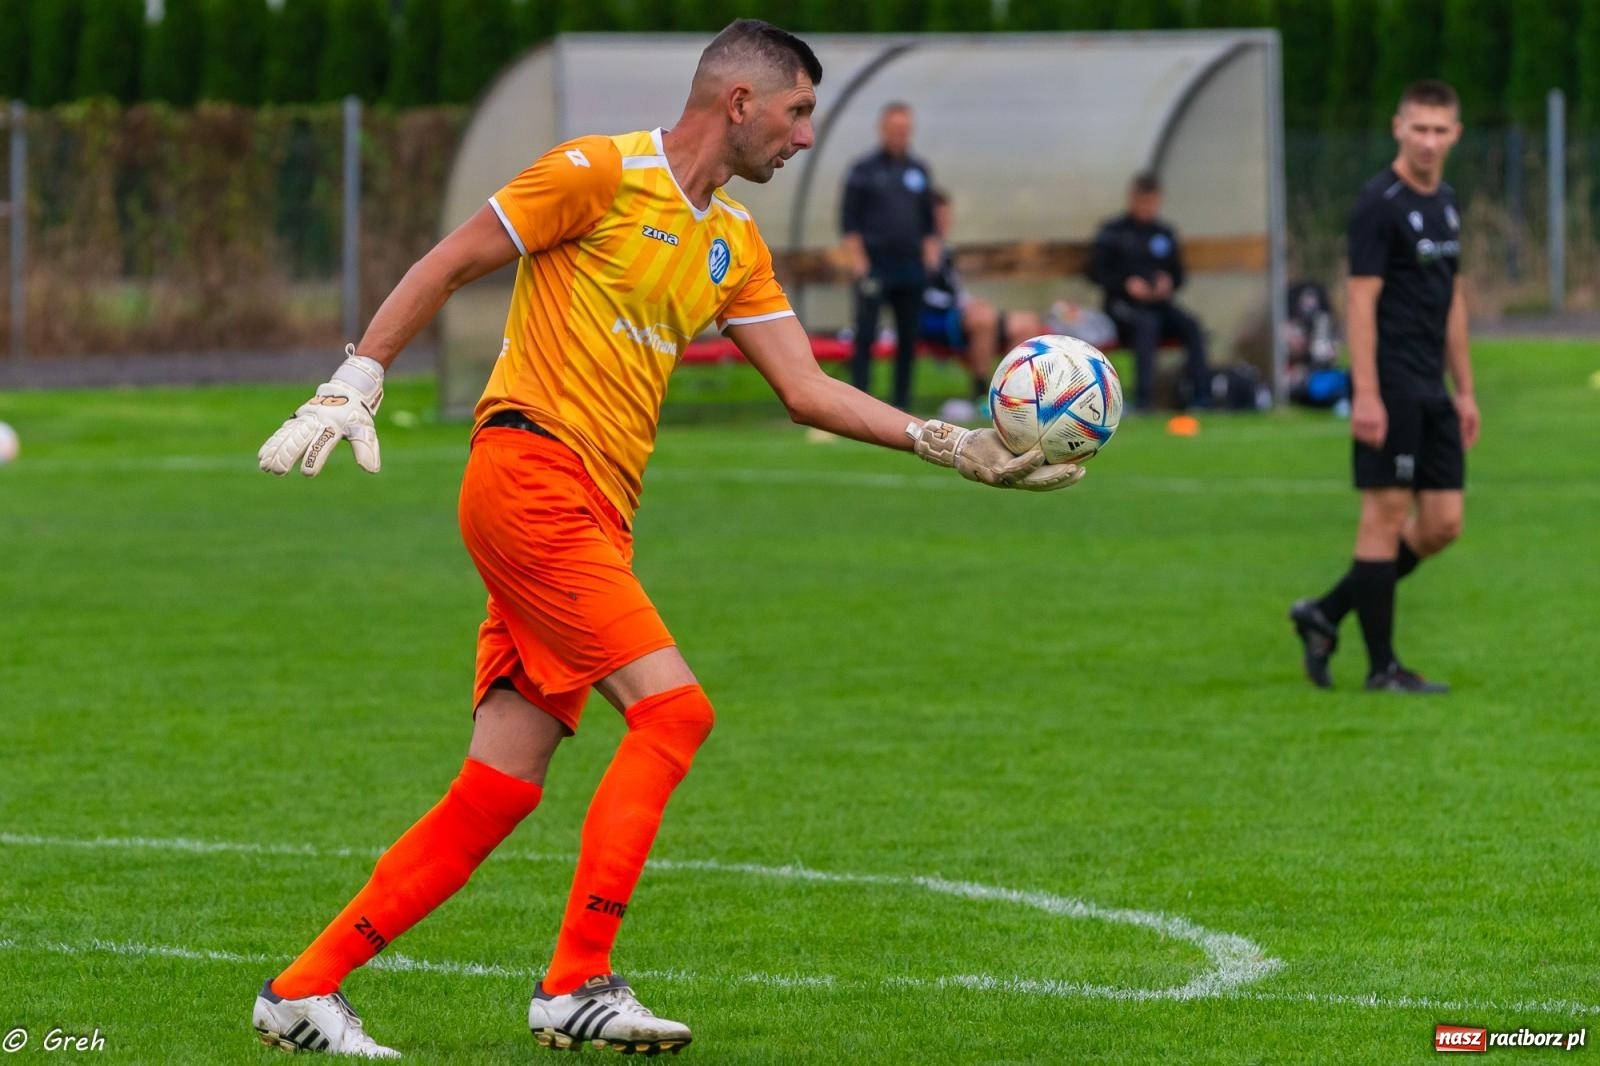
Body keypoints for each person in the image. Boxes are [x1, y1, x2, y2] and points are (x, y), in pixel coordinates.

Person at [249, 19, 1085, 1060]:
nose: (805, 136)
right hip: (530, 475)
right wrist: (356, 377)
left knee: (498, 787)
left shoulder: (733, 239)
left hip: (594, 514)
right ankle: (575, 983)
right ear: (739, 104)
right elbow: (451, 258)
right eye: (796, 113)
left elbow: (805, 388)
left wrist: (955, 445)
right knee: (674, 713)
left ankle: (300, 990)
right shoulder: (595, 174)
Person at [1289, 79, 1478, 694]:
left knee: (1444, 523)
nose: (1427, 140)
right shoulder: (1379, 203)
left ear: (1456, 133)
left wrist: (1467, 389)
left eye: (1439, 129)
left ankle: (1326, 613)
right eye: (1417, 128)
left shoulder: (1447, 201)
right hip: (1391, 383)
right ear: (1398, 127)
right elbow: (1360, 304)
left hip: (1433, 385)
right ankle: (1382, 669)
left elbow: (1452, 301)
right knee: (1386, 515)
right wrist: (1364, 393)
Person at [840, 101, 939, 410]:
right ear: (883, 129)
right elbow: (848, 221)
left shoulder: (918, 171)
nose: (900, 135)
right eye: (895, 129)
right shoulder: (863, 170)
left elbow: (929, 223)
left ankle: (901, 403)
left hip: (910, 267)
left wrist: (930, 257)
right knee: (866, 334)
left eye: (905, 130)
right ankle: (859, 401)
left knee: (908, 337)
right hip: (875, 267)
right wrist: (859, 263)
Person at [1087, 172, 1210, 411]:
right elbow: (1095, 272)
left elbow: (1179, 274)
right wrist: (1126, 284)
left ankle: (1200, 396)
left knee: (1192, 325)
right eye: (1143, 202)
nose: (1148, 208)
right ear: (1132, 199)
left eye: (1152, 202)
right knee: (1147, 325)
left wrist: (1168, 282)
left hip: (1159, 305)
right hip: (1121, 307)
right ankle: (1145, 400)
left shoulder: (1165, 233)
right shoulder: (1112, 232)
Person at [920, 188, 1044, 422]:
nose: (944, 221)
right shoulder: (916, 247)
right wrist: (963, 305)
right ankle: (982, 395)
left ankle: (1017, 397)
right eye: (939, 216)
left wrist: (968, 301)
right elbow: (922, 294)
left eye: (947, 216)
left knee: (1026, 322)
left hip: (959, 312)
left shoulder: (944, 247)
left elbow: (953, 288)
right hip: (932, 319)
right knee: (983, 319)